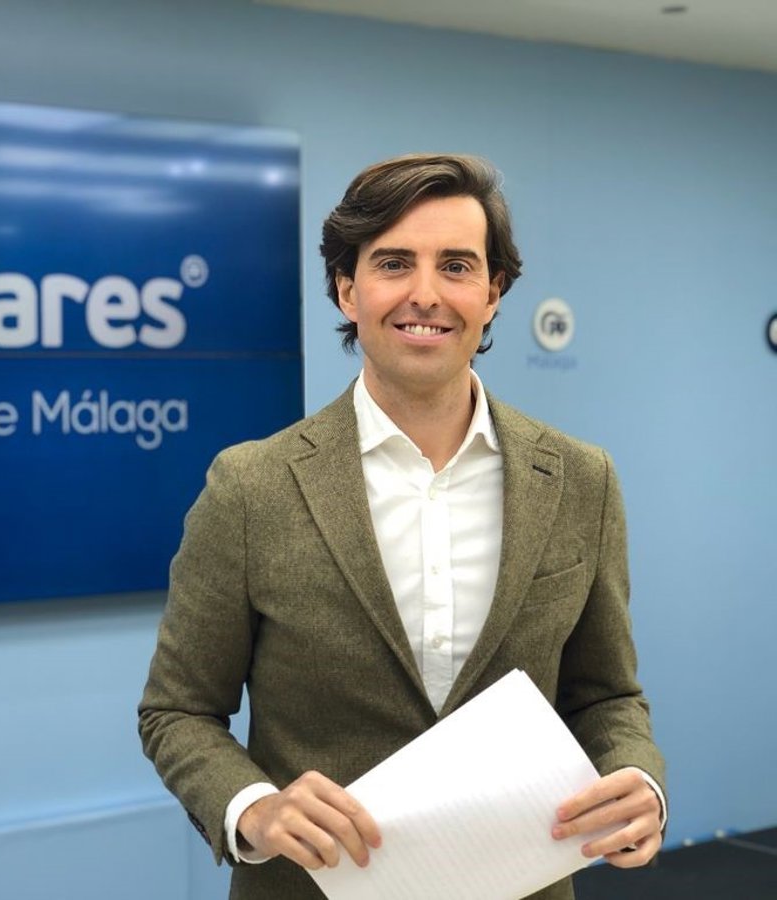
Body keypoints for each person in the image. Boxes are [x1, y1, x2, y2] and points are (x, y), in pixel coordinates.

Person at [138, 154, 665, 900]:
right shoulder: (252, 487)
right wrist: (254, 808)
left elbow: (606, 695)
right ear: (348, 290)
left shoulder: (582, 480)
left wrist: (636, 775)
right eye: (393, 263)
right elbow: (179, 709)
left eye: (456, 266)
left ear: (493, 293)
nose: (426, 293)